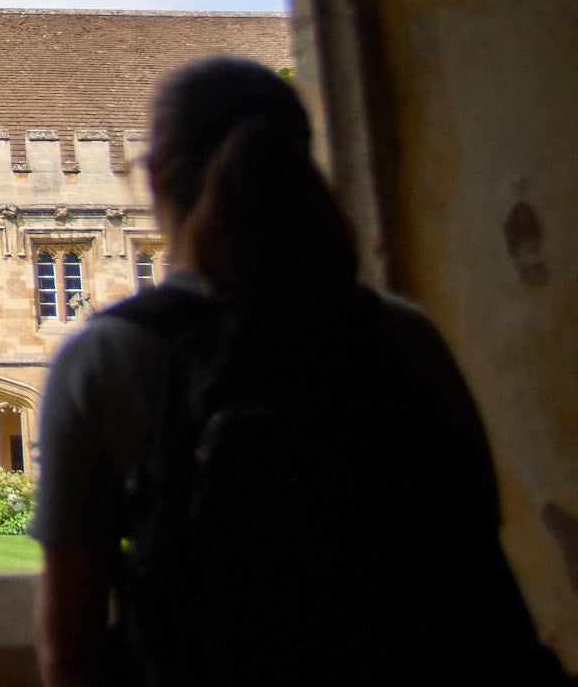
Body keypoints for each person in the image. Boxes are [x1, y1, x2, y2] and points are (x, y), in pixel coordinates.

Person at [31, 56, 558, 687]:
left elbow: (71, 648)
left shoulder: (105, 359)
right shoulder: (403, 335)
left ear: (154, 179)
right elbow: (473, 557)